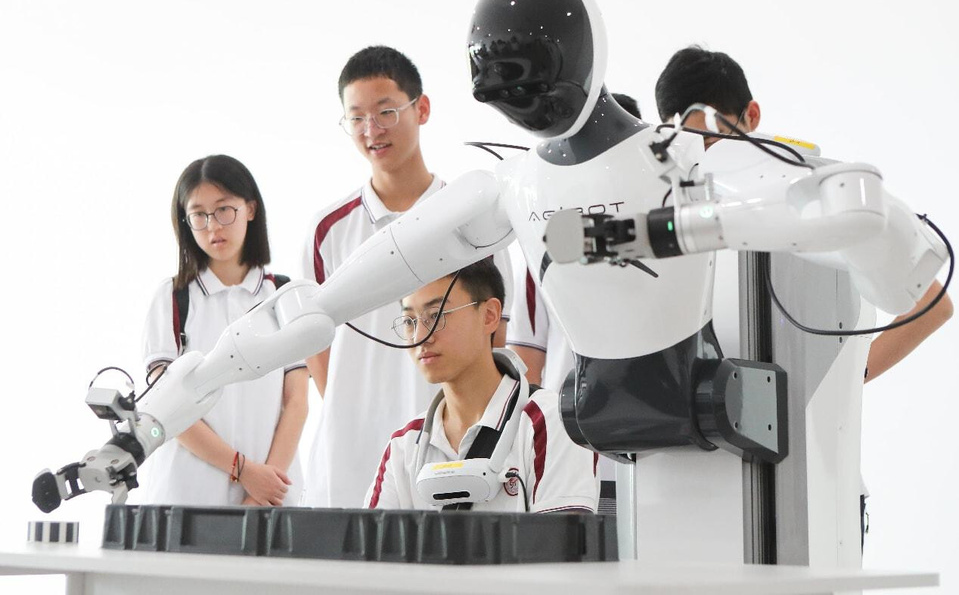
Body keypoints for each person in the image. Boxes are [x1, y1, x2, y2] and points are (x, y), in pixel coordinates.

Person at [654, 45, 954, 545]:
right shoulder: (670, 206)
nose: (705, 156)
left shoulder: (800, 188)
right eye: (684, 140)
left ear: (751, 117)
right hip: (701, 476)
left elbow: (931, 303)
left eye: (709, 135)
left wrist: (845, 378)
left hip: (812, 481)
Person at [303, 46, 512, 507]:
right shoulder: (329, 231)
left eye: (386, 112)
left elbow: (496, 338)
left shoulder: (474, 218)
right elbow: (316, 348)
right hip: (348, 461)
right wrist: (352, 411)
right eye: (356, 118)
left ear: (422, 109)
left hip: (449, 453)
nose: (371, 130)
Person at [365, 258, 598, 512]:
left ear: (489, 316)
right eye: (409, 321)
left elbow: (563, 536)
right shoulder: (403, 446)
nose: (420, 337)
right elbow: (368, 538)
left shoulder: (552, 422)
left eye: (436, 316)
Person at [140, 154, 308, 506]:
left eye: (223, 210)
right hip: (186, 495)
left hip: (271, 494)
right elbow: (165, 406)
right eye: (199, 215)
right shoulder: (172, 298)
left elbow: (297, 402)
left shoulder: (283, 295)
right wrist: (243, 471)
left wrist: (263, 490)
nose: (213, 226)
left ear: (250, 209)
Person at [508, 92, 642, 391]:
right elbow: (526, 366)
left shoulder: (667, 235)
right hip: (567, 414)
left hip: (662, 406)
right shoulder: (540, 249)